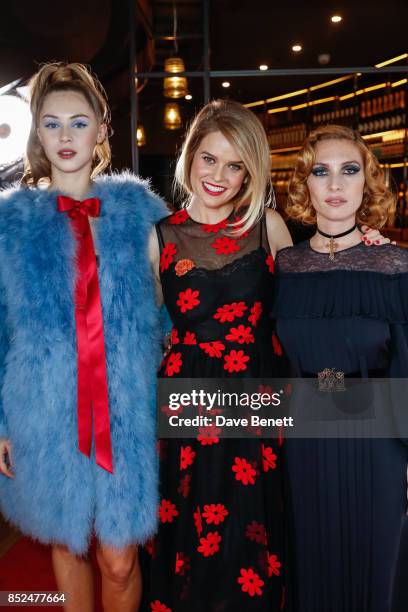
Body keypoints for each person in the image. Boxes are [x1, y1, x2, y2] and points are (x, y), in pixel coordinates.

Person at [146, 102, 386, 611]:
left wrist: (368, 248)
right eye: (209, 159)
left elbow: (315, 296)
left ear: (250, 172)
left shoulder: (268, 226)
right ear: (190, 157)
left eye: (235, 165)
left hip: (261, 402)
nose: (219, 176)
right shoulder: (159, 237)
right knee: (194, 540)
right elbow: (139, 333)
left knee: (256, 541)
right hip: (190, 406)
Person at [0, 62, 165, 612]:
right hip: (43, 411)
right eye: (52, 124)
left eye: (78, 122)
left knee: (119, 559)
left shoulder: (140, 214)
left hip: (126, 411)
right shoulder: (11, 223)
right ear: (37, 135)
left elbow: (173, 313)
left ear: (101, 130)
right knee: (67, 544)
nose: (65, 137)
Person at [273, 124, 408, 612]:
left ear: (366, 184)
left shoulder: (395, 265)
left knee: (378, 568)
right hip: (305, 444)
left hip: (379, 443)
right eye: (321, 172)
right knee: (312, 563)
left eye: (349, 171)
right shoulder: (286, 266)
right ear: (304, 186)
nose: (334, 184)